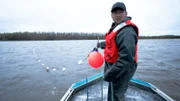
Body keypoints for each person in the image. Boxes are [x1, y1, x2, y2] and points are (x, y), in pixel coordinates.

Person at [97, 2, 139, 101]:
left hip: (123, 68)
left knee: (117, 95)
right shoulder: (117, 27)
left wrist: (109, 74)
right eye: (115, 12)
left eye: (120, 12)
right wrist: (102, 44)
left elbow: (126, 59)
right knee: (113, 91)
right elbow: (114, 43)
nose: (118, 15)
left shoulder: (127, 31)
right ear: (111, 15)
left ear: (126, 13)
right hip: (115, 66)